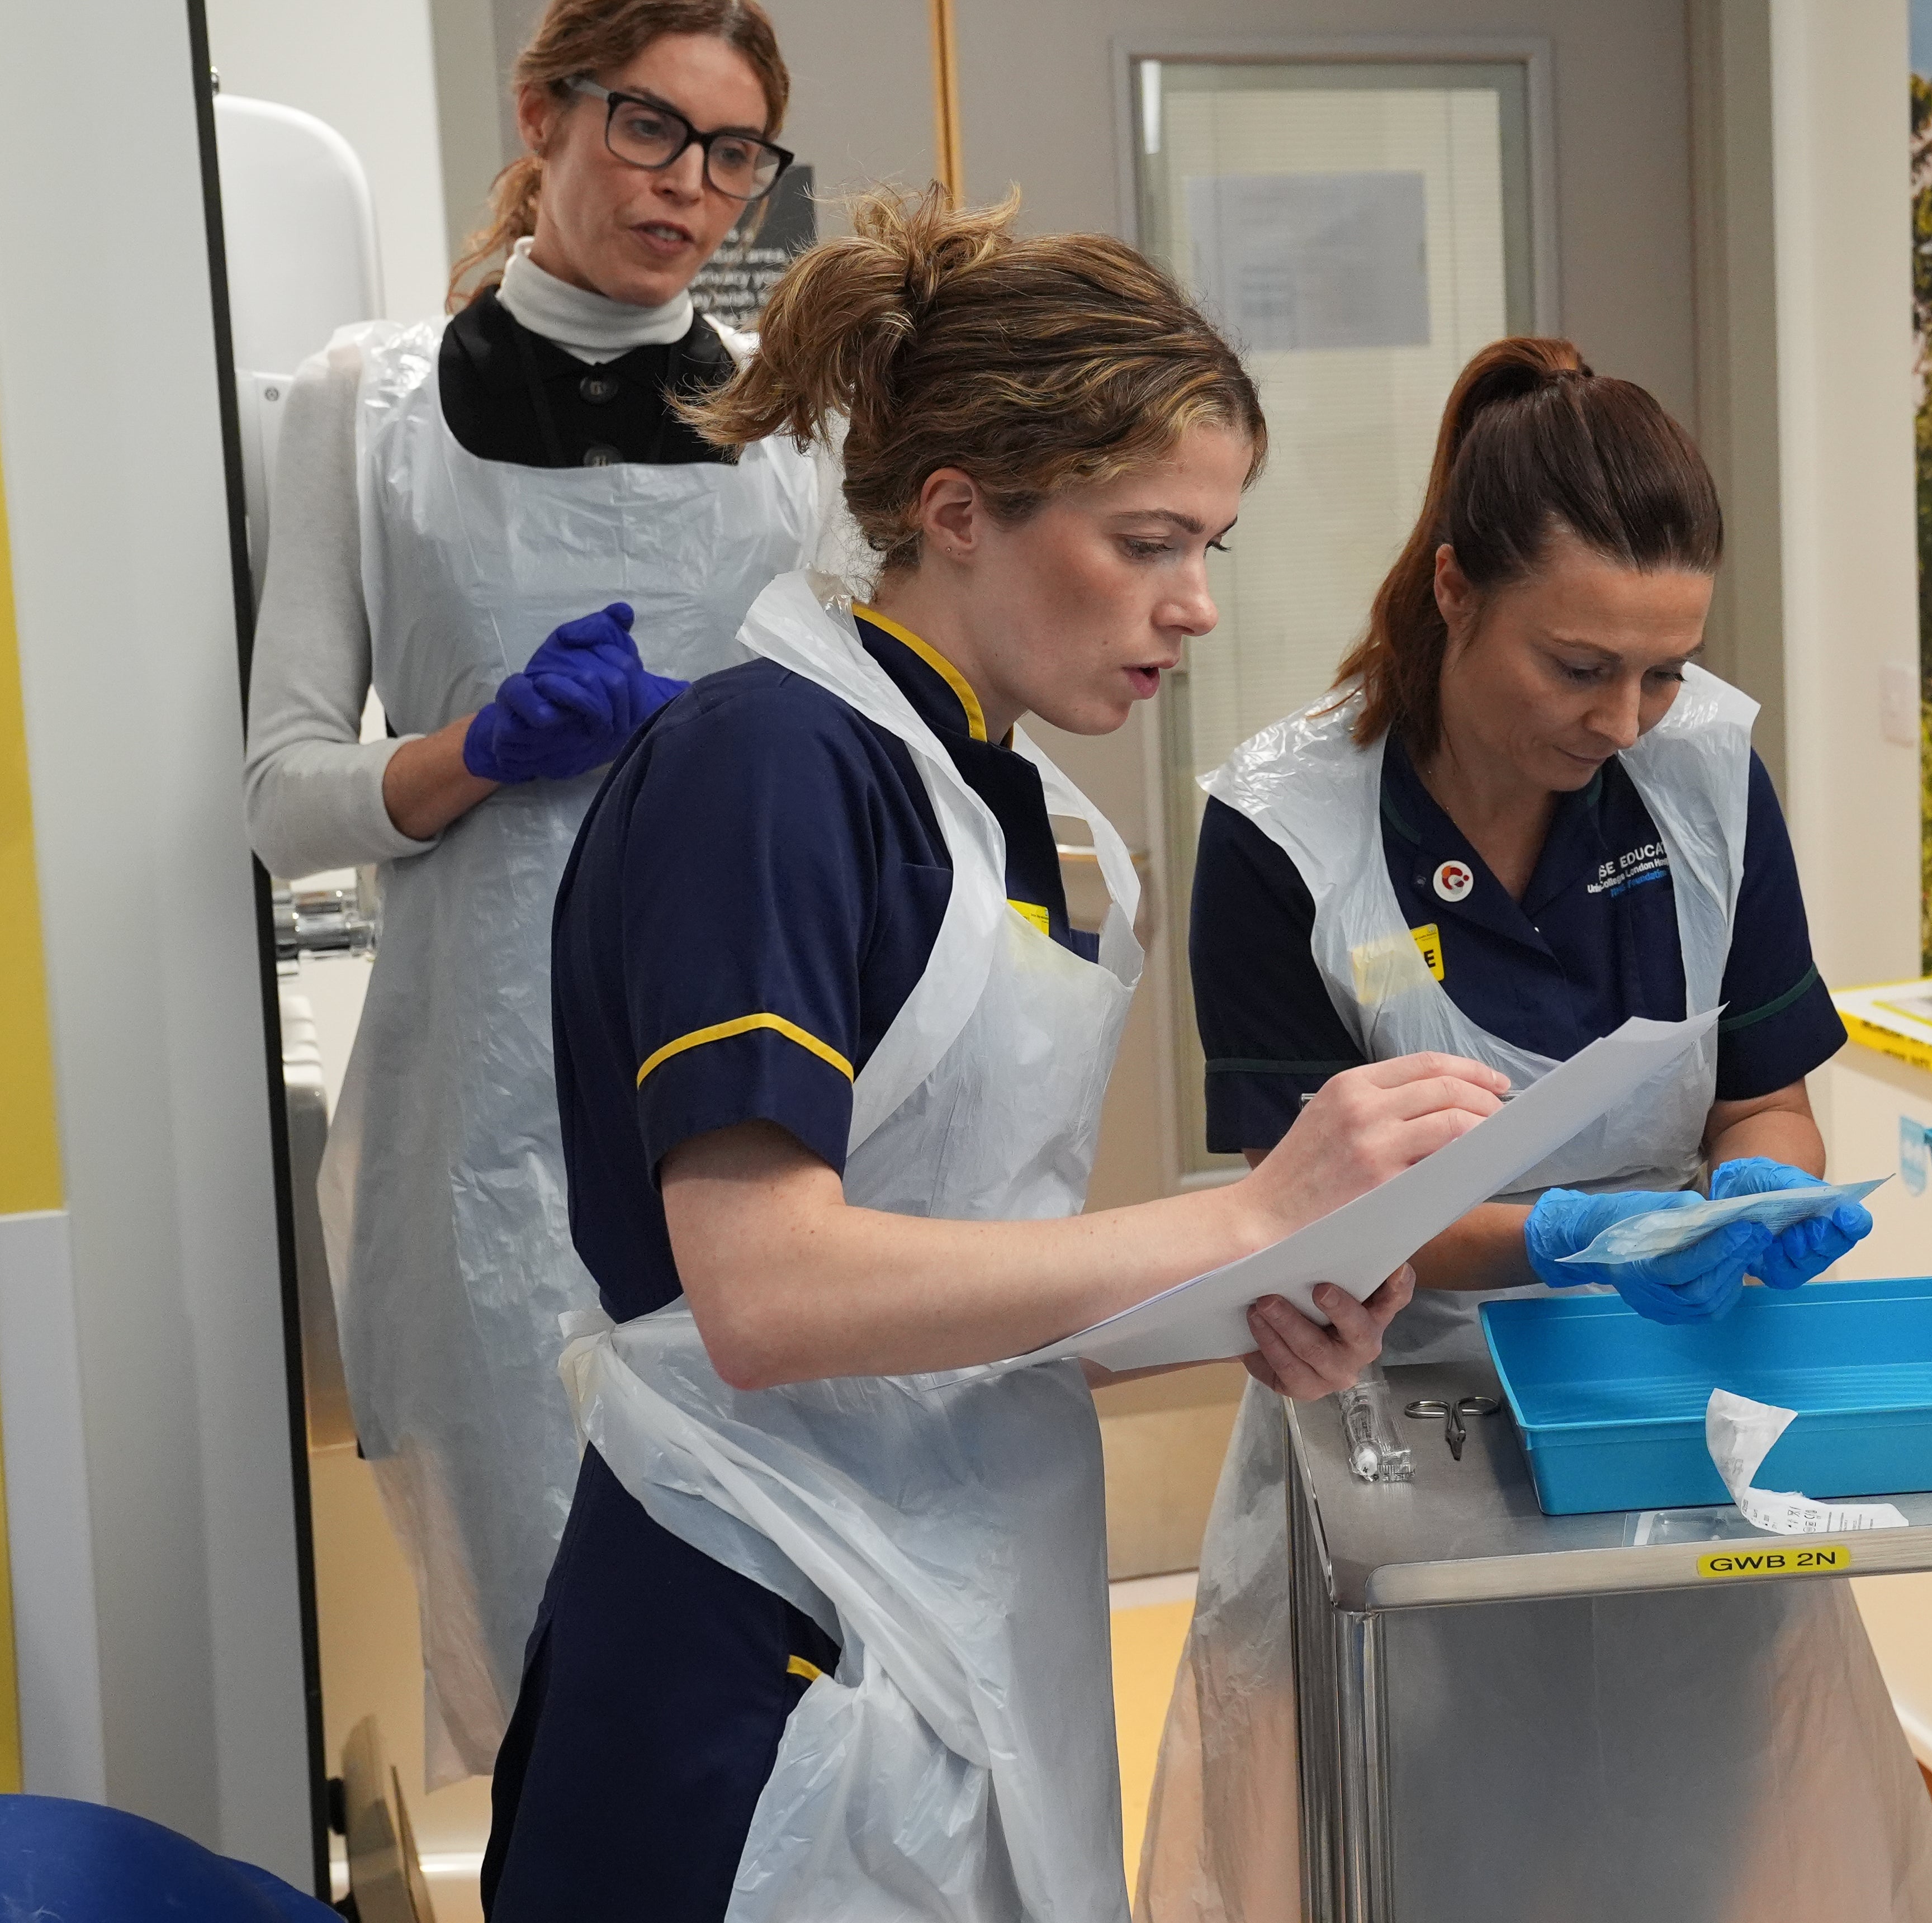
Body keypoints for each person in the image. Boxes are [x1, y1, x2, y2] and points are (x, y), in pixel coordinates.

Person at [481, 190, 1499, 1921]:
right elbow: (769, 1291)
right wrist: (1248, 1221)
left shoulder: (1019, 814)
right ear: (955, 512)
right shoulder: (770, 768)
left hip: (961, 1577)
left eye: (1211, 551)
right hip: (760, 1615)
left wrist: (1244, 1307)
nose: (1190, 606)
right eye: (1145, 540)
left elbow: (968, 1264)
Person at [1139, 336, 1932, 1923]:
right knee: (1420, 1858)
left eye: (1662, 668)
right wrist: (1571, 1241)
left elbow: (1762, 1091)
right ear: (1453, 589)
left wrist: (1756, 1204)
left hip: (1666, 1420)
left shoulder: (1703, 777)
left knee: (1692, 1850)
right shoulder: (1286, 831)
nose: (1627, 717)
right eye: (1579, 667)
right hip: (1390, 1421)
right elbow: (1298, 1218)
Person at [242, 0, 830, 1782]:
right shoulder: (375, 406)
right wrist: (469, 753)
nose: (691, 186)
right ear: (544, 112)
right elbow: (276, 792)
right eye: (655, 125)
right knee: (545, 1668)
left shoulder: (790, 428)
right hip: (479, 1125)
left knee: (770, 1668)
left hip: (741, 1088)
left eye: (738, 155)